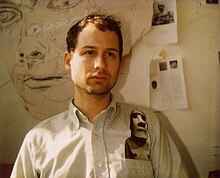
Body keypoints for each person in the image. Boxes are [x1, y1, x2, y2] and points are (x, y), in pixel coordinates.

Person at [11, 13, 187, 178]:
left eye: (110, 54)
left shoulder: (148, 125)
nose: (100, 64)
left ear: (120, 63)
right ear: (68, 60)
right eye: (89, 52)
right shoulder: (37, 140)